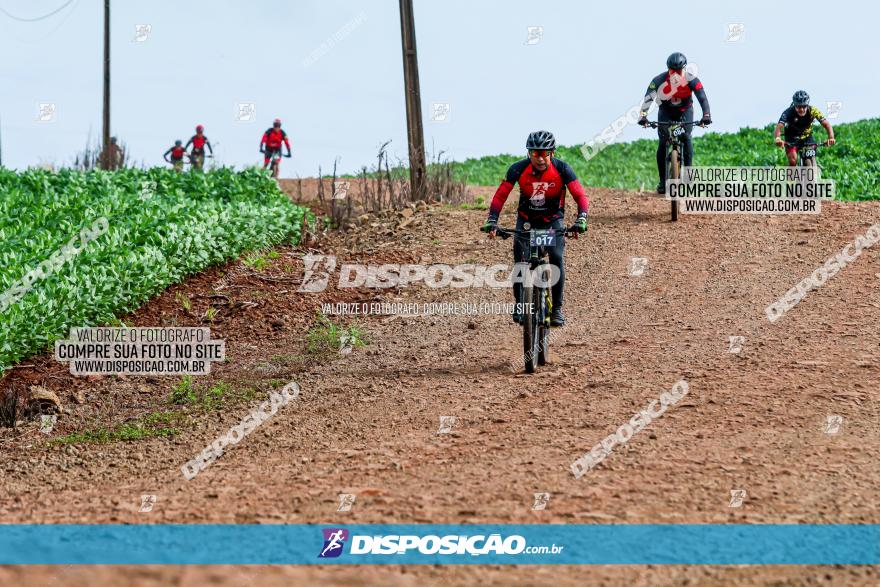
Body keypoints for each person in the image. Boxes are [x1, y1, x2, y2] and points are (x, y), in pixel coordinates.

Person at [481, 130, 589, 327]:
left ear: (552, 153)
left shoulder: (563, 169)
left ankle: (556, 309)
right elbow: (500, 196)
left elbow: (580, 196)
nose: (539, 158)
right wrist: (492, 220)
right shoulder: (517, 169)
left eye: (544, 153)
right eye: (535, 153)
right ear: (529, 153)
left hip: (552, 222)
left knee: (556, 258)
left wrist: (581, 219)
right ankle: (520, 303)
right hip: (526, 222)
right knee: (520, 262)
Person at [638, 52, 712, 193]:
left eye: (679, 71)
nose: (676, 74)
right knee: (663, 141)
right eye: (673, 71)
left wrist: (706, 115)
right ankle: (662, 180)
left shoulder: (692, 80)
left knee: (686, 137)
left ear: (684, 69)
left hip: (685, 111)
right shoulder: (659, 80)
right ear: (668, 69)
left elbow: (702, 98)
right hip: (666, 112)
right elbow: (648, 99)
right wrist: (643, 116)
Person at [774, 91, 835, 165]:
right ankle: (791, 175)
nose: (801, 109)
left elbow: (826, 124)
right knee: (793, 160)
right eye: (799, 107)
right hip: (791, 137)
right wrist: (778, 138)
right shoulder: (788, 112)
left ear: (807, 105)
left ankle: (813, 172)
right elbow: (779, 126)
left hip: (806, 136)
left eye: (804, 106)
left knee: (812, 157)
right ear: (795, 105)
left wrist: (831, 137)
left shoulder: (813, 110)